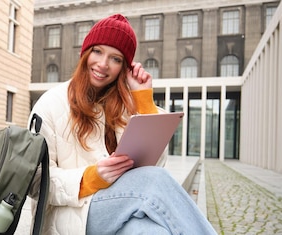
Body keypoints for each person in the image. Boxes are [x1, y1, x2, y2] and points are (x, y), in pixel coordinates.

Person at [28, 14, 217, 234]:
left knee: (152, 231)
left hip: (119, 206)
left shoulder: (125, 106)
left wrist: (144, 100)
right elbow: (34, 183)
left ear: (124, 68)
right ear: (85, 53)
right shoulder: (51, 103)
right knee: (154, 182)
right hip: (69, 215)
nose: (103, 64)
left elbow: (153, 166)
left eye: (115, 59)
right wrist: (90, 178)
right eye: (97, 51)